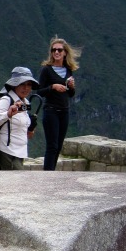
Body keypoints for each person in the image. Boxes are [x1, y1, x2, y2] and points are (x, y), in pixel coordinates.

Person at [38, 37, 81, 171]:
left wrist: (71, 87)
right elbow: (39, 91)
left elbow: (70, 94)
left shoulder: (68, 70)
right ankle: (48, 175)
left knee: (59, 145)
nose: (56, 52)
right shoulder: (46, 70)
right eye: (53, 50)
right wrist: (53, 87)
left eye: (59, 50)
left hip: (64, 111)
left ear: (65, 53)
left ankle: (51, 171)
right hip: (51, 111)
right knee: (52, 145)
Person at [0, 67, 39, 170]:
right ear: (14, 85)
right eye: (22, 84)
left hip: (20, 152)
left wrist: (31, 128)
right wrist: (8, 114)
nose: (26, 88)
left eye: (29, 84)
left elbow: (25, 133)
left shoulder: (25, 103)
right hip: (7, 152)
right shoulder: (6, 100)